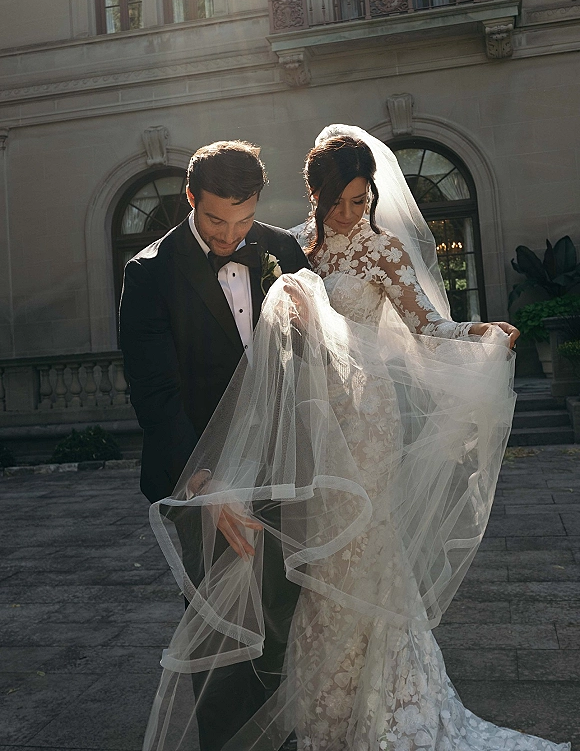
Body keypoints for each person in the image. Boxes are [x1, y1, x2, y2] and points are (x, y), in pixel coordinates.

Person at [141, 127, 570, 751]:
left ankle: (385, 696)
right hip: (308, 428)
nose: (350, 212)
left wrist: (475, 332)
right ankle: (324, 704)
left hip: (366, 422)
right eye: (338, 200)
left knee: (364, 550)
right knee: (311, 563)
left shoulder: (380, 252)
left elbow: (426, 325)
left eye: (360, 200)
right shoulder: (294, 251)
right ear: (314, 195)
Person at [119, 139, 309, 751]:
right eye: (215, 220)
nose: (230, 235)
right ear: (190, 199)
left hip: (280, 466)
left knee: (283, 618)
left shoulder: (282, 249)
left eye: (244, 218)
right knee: (222, 636)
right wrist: (203, 485)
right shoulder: (149, 273)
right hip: (198, 476)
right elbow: (156, 393)